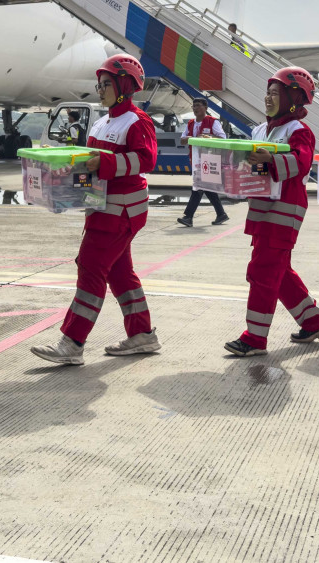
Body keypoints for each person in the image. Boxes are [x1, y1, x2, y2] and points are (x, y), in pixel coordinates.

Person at [31, 54, 161, 364]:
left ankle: (73, 342)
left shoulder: (136, 120)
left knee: (90, 267)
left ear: (124, 85)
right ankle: (142, 335)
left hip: (121, 210)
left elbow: (147, 160)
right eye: (99, 84)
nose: (100, 90)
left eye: (106, 84)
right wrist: (63, 161)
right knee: (120, 273)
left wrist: (104, 163)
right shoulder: (102, 122)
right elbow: (90, 162)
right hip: (102, 207)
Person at [223, 67, 319, 356]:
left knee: (263, 270)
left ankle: (255, 339)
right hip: (260, 209)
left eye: (275, 93)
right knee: (278, 270)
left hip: (284, 210)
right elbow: (253, 167)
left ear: (293, 97)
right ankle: (313, 321)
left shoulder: (299, 131)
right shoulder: (261, 129)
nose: (268, 98)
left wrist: (271, 159)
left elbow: (302, 163)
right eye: (268, 93)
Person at [177, 96, 230, 227]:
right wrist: (192, 138)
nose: (195, 109)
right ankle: (221, 214)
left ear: (205, 108)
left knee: (198, 187)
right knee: (207, 188)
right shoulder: (190, 123)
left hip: (209, 160)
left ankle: (188, 216)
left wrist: (208, 137)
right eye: (194, 106)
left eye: (198, 106)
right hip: (195, 160)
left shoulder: (213, 122)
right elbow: (182, 140)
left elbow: (223, 139)